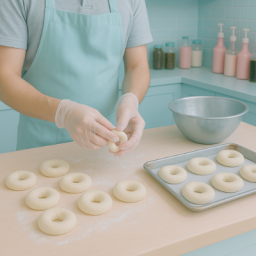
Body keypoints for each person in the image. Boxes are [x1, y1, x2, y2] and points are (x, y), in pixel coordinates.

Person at [0, 0, 152, 157]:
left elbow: (137, 65)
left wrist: (131, 99)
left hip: (106, 143)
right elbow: (5, 77)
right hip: (40, 147)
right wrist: (64, 113)